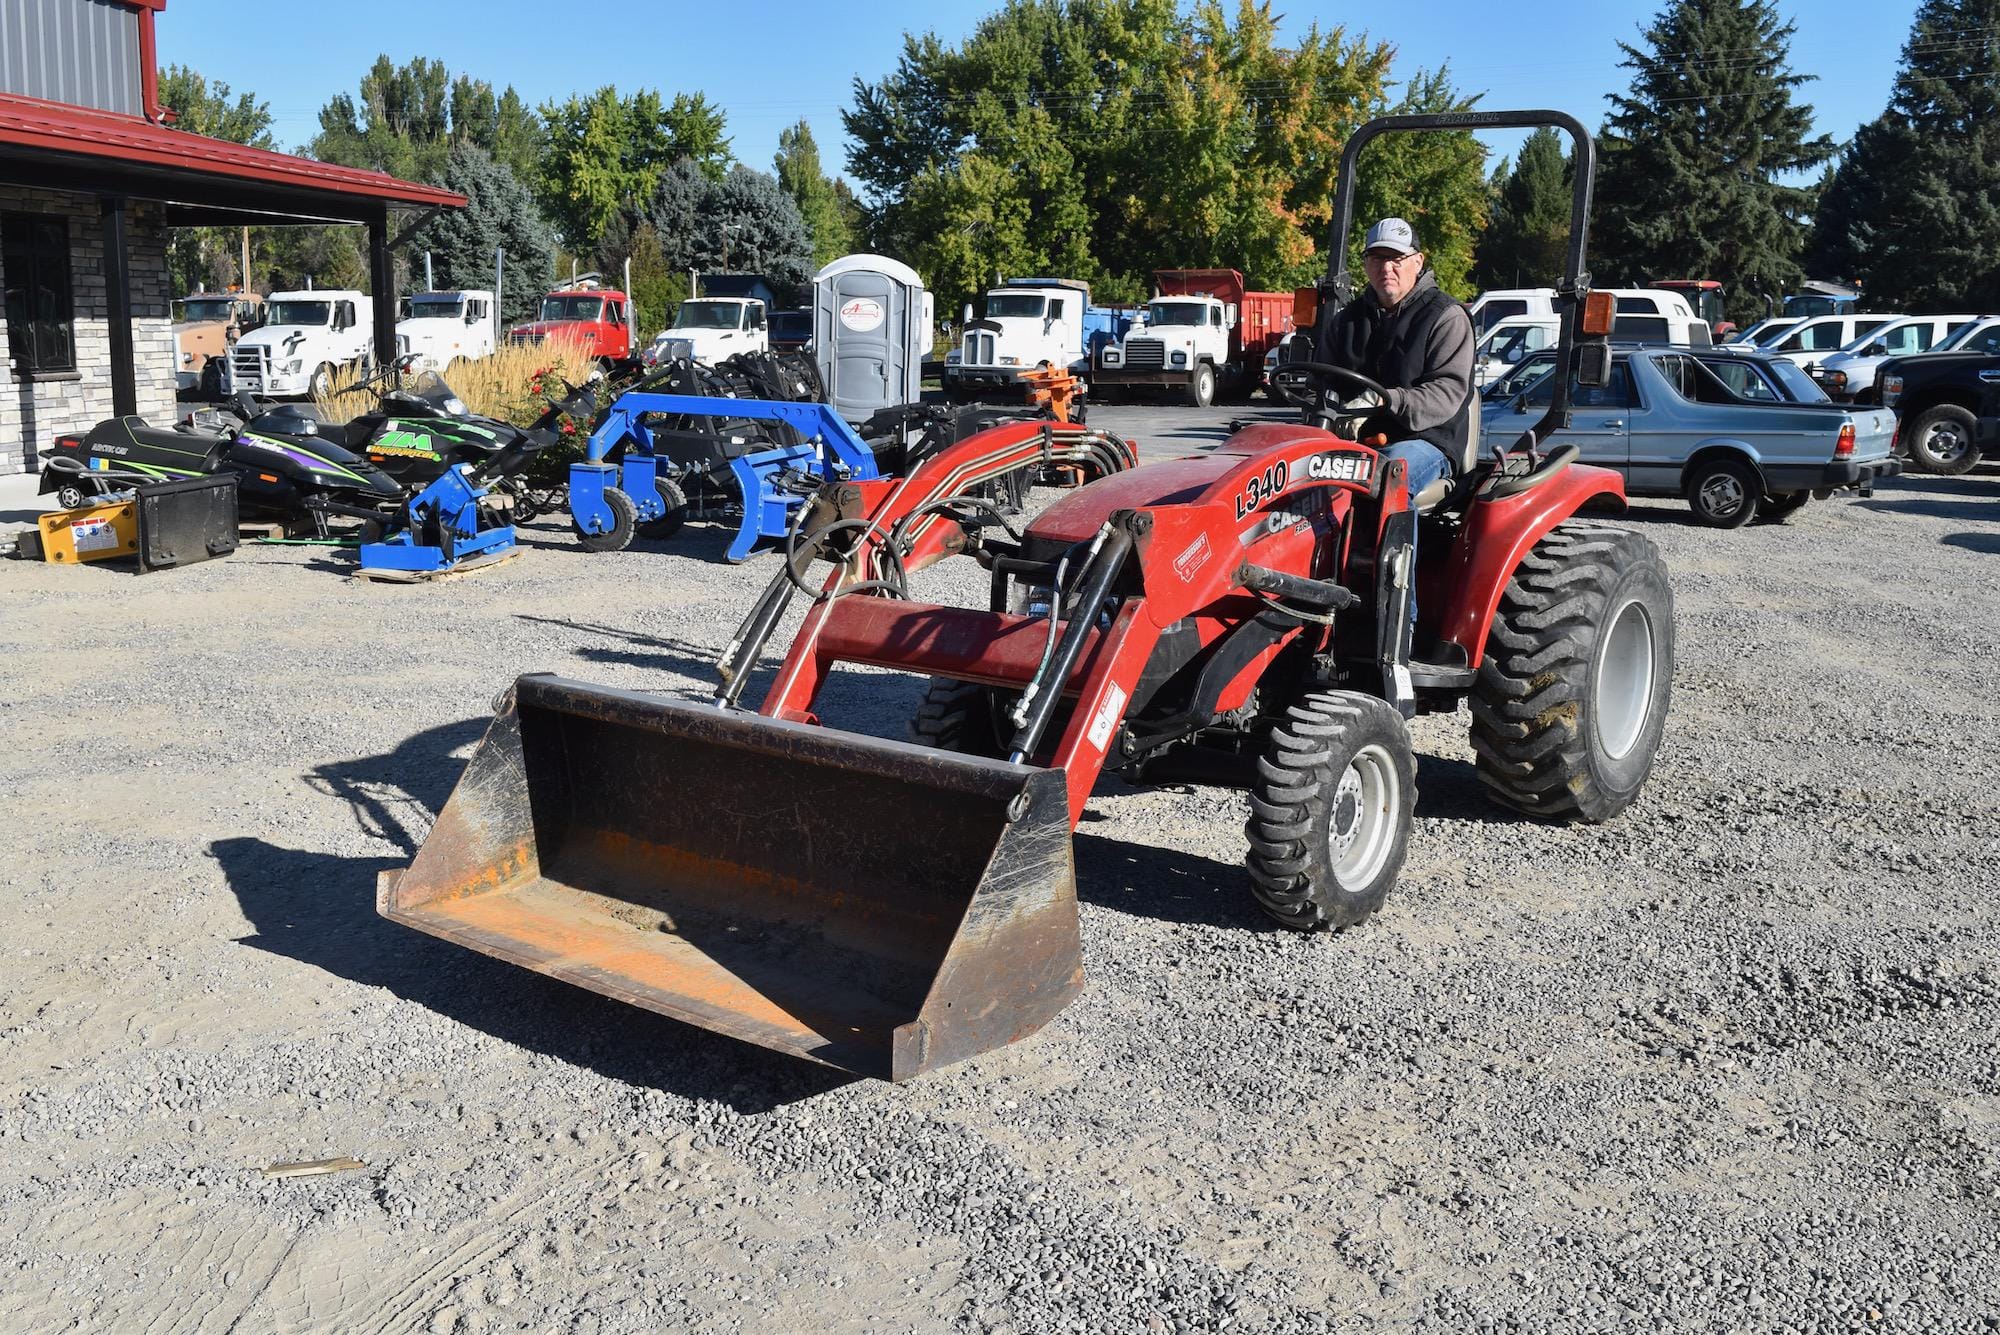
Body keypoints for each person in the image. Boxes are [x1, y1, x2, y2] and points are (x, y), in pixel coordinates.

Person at [1315, 216, 1475, 507]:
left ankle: (1392, 553)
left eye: (1397, 258)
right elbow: (1324, 382)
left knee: (1386, 476)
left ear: (1418, 261)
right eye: (1376, 258)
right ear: (1365, 264)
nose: (1386, 268)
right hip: (1352, 439)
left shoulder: (1445, 317)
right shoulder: (1346, 321)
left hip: (1425, 439)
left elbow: (1447, 393)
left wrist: (1382, 400)